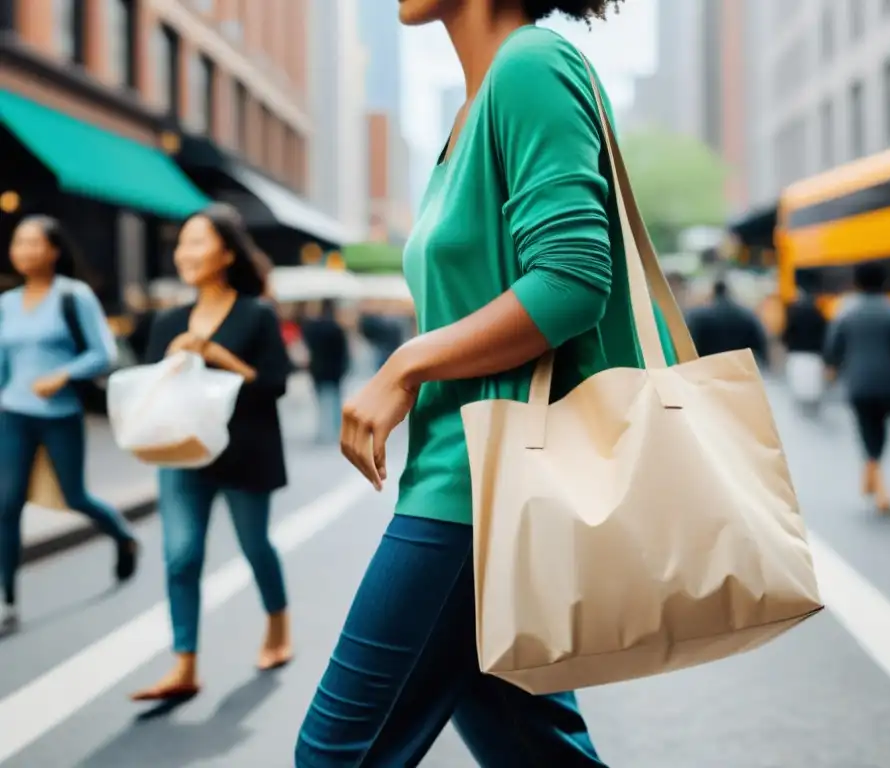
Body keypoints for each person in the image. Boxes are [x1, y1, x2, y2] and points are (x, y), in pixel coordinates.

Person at [293, 2, 680, 764]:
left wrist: (406, 364)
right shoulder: (479, 105)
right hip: (473, 478)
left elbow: (571, 280)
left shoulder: (530, 68)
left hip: (478, 490)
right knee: (536, 753)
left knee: (334, 755)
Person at [133, 203, 293, 701]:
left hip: (246, 451)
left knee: (255, 547)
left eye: (197, 242)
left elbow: (276, 384)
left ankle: (278, 624)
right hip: (183, 454)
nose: (186, 253)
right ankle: (184, 664)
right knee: (181, 556)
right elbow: (153, 391)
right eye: (181, 243)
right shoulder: (167, 322)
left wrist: (218, 356)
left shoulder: (256, 314)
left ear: (226, 252)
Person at [0, 216, 138, 633]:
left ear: (53, 250)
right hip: (14, 414)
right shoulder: (6, 303)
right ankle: (7, 598)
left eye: (33, 242)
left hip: (60, 415)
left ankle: (122, 535)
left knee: (76, 497)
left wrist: (63, 374)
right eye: (17, 242)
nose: (23, 250)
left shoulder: (73, 296)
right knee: (6, 505)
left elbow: (104, 353)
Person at [824, 263, 890, 514]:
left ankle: (877, 481)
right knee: (881, 429)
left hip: (857, 382)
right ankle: (873, 475)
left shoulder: (846, 310)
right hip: (887, 381)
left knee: (866, 428)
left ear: (856, 282)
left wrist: (832, 370)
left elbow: (833, 347)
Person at [685, 277, 769, 364]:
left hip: (710, 369)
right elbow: (760, 349)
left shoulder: (699, 316)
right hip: (740, 369)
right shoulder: (747, 315)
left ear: (713, 292)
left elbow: (691, 346)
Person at [300, 300, 350, 444]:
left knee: (321, 402)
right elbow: (343, 353)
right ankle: (336, 431)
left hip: (318, 370)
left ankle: (323, 432)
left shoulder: (312, 328)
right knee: (334, 401)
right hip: (334, 371)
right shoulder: (337, 328)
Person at [782, 288, 829, 414]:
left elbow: (786, 334)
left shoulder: (794, 314)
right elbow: (826, 334)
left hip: (796, 352)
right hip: (814, 353)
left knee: (799, 379)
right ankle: (813, 403)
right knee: (813, 381)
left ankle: (801, 403)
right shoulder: (818, 314)